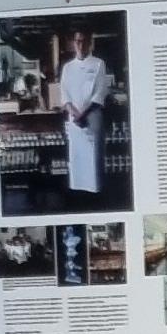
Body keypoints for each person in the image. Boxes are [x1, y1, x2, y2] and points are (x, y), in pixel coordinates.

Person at [54, 27, 115, 205]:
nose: (80, 45)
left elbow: (99, 93)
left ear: (89, 43)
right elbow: (64, 94)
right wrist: (74, 113)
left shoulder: (98, 64)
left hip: (92, 117)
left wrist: (83, 114)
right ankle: (78, 197)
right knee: (77, 159)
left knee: (93, 160)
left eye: (84, 41)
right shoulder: (68, 67)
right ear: (74, 43)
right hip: (74, 120)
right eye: (78, 41)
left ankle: (96, 199)